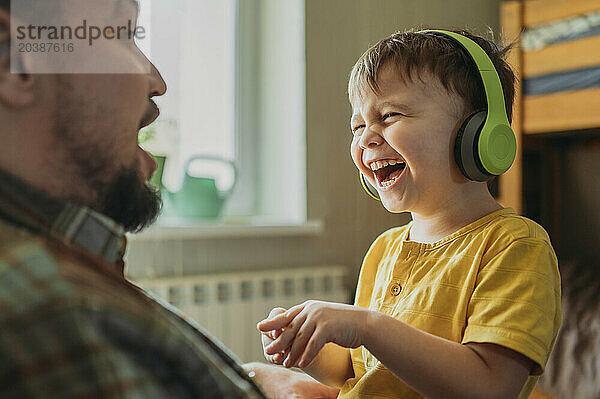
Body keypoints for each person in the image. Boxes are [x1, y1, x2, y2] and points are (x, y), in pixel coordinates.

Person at [0, 1, 331, 397]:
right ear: (14, 61)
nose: (156, 81)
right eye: (122, 32)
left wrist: (254, 385)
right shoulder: (46, 315)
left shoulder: (66, 274)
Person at [256, 29, 562, 399]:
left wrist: (367, 325)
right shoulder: (383, 249)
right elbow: (356, 369)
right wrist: (306, 346)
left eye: (388, 115)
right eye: (357, 126)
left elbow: (490, 386)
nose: (365, 138)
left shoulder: (514, 246)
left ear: (479, 133)